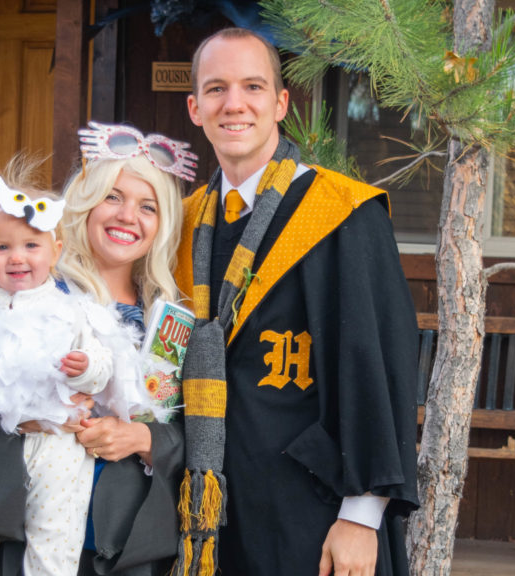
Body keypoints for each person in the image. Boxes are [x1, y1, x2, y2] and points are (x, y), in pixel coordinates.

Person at [173, 28, 420, 576]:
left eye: (253, 86)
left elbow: (379, 364)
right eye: (216, 89)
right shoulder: (183, 222)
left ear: (281, 103)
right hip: (208, 515)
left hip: (312, 509)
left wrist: (362, 514)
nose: (233, 104)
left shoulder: (341, 213)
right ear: (195, 108)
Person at [0, 123, 196, 576]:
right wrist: (25, 416)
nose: (128, 216)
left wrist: (142, 439)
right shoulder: (27, 294)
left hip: (128, 541)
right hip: (26, 526)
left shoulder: (173, 319)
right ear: (84, 203)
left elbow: (197, 433)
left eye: (148, 206)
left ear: (162, 225)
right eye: (113, 197)